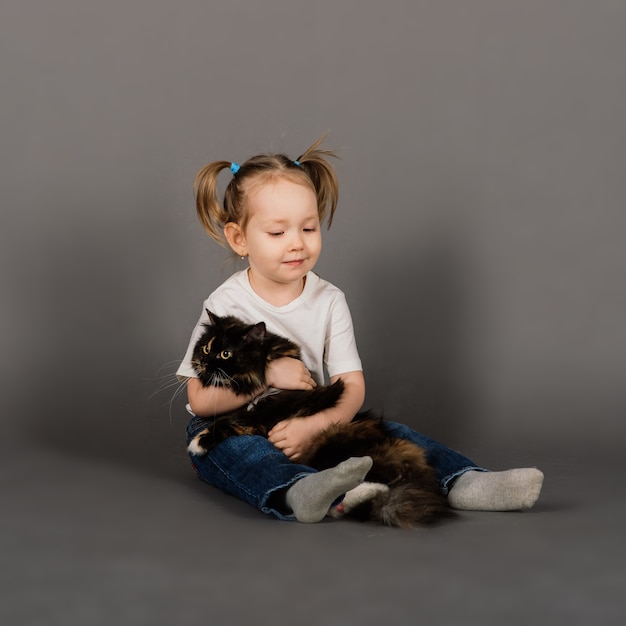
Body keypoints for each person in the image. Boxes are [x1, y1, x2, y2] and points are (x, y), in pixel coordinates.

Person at [176, 136, 544, 523]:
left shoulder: (329, 300)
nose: (297, 244)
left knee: (392, 431)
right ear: (239, 239)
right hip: (233, 424)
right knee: (240, 453)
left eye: (308, 228)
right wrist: (267, 375)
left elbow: (351, 386)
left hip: (308, 414)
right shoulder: (225, 304)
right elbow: (200, 400)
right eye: (277, 233)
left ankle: (463, 479)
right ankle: (298, 491)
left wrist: (315, 425)